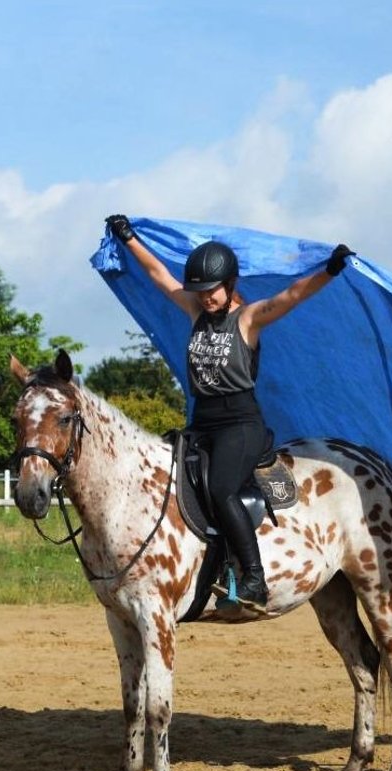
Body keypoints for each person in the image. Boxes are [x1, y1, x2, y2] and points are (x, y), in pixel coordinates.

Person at [105, 214, 354, 612]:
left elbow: (291, 296)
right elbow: (159, 276)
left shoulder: (248, 319)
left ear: (230, 284)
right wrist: (129, 239)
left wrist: (330, 270)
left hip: (241, 425)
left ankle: (253, 577)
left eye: (212, 290)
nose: (206, 297)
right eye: (200, 290)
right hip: (201, 422)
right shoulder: (195, 311)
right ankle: (199, 569)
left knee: (221, 488)